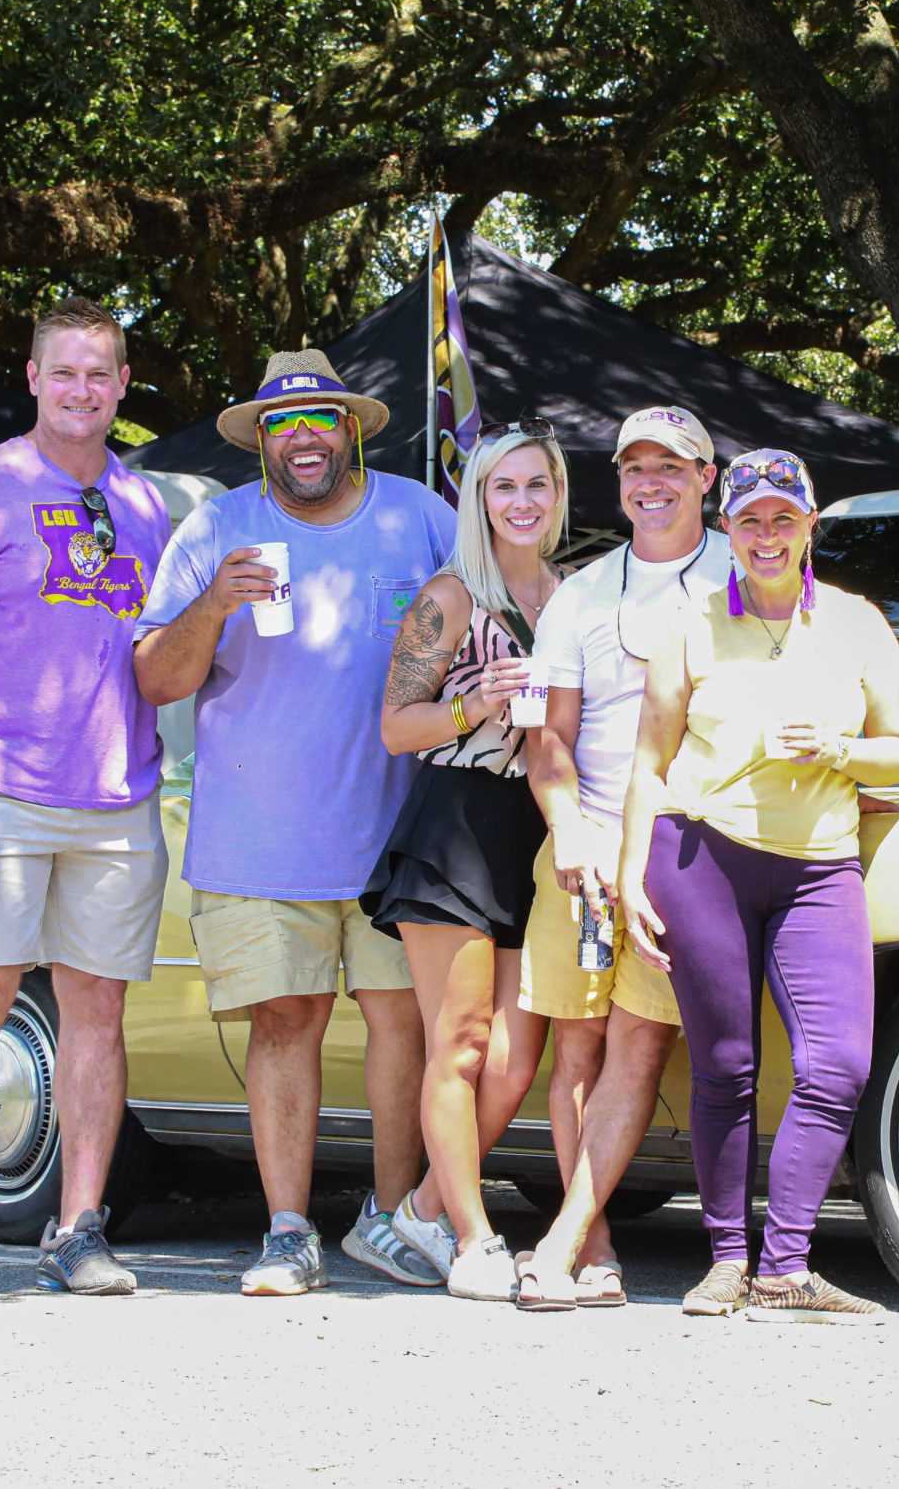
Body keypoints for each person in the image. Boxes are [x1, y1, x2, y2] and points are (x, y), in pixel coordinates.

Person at [132, 349, 452, 1296]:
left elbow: (489, 620)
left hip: (402, 836)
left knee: (406, 1025)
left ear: (351, 428)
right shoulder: (218, 528)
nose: (304, 436)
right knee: (286, 1021)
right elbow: (157, 678)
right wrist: (214, 600)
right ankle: (285, 1230)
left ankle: (393, 1221)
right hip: (263, 840)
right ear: (261, 439)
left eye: (320, 418)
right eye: (283, 423)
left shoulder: (418, 515)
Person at [0, 297, 174, 1304]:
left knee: (96, 1016)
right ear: (31, 378)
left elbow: (160, 651)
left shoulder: (147, 507)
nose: (83, 390)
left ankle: (79, 1227)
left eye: (101, 374)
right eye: (65, 372)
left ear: (122, 385)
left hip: (118, 795)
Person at [618, 447, 899, 1322]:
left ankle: (785, 1264)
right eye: (749, 520)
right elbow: (648, 762)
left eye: (783, 519)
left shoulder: (860, 622)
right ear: (727, 529)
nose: (766, 535)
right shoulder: (692, 627)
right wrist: (631, 874)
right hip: (701, 853)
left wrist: (839, 750)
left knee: (837, 1065)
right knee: (724, 1065)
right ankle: (725, 1258)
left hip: (821, 863)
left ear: (809, 527)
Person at [511, 407, 727, 1308]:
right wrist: (570, 826)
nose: (651, 483)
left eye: (671, 468)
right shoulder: (581, 595)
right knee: (578, 1053)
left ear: (706, 479)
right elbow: (545, 739)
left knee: (640, 1047)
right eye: (636, 467)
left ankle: (571, 1245)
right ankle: (591, 1249)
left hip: (691, 850)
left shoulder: (746, 575)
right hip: (587, 847)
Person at [363, 422, 570, 1303]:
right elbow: (394, 725)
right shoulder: (450, 596)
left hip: (538, 830)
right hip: (453, 827)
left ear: (558, 496)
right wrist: (468, 706)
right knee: (461, 1042)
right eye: (502, 487)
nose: (520, 501)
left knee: (517, 1059)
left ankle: (416, 1208)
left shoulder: (571, 596)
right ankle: (475, 1236)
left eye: (536, 485)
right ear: (478, 500)